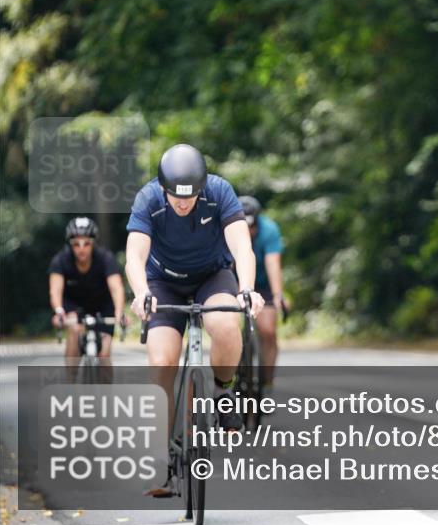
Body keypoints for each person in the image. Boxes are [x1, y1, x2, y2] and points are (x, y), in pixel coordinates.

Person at [125, 143, 263, 447]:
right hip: (163, 282)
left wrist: (247, 288)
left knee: (227, 326)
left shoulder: (219, 192)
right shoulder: (148, 198)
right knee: (162, 362)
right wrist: (141, 293)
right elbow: (134, 256)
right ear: (163, 187)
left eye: (190, 195)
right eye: (176, 194)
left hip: (211, 277)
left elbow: (242, 247)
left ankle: (222, 390)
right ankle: (161, 456)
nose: (183, 202)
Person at [49, 217, 126, 363]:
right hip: (74, 306)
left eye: (86, 244)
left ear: (93, 243)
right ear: (70, 245)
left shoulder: (105, 258)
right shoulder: (60, 260)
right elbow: (55, 290)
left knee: (104, 356)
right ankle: (71, 383)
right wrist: (59, 311)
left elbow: (116, 287)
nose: (81, 249)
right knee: (74, 331)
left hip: (103, 306)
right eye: (76, 244)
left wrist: (119, 312)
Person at [238, 195, 290, 397]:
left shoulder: (269, 230)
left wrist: (278, 295)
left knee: (267, 331)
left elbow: (273, 263)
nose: (249, 232)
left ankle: (267, 381)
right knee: (230, 326)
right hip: (236, 279)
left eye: (252, 227)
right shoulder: (228, 225)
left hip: (263, 283)